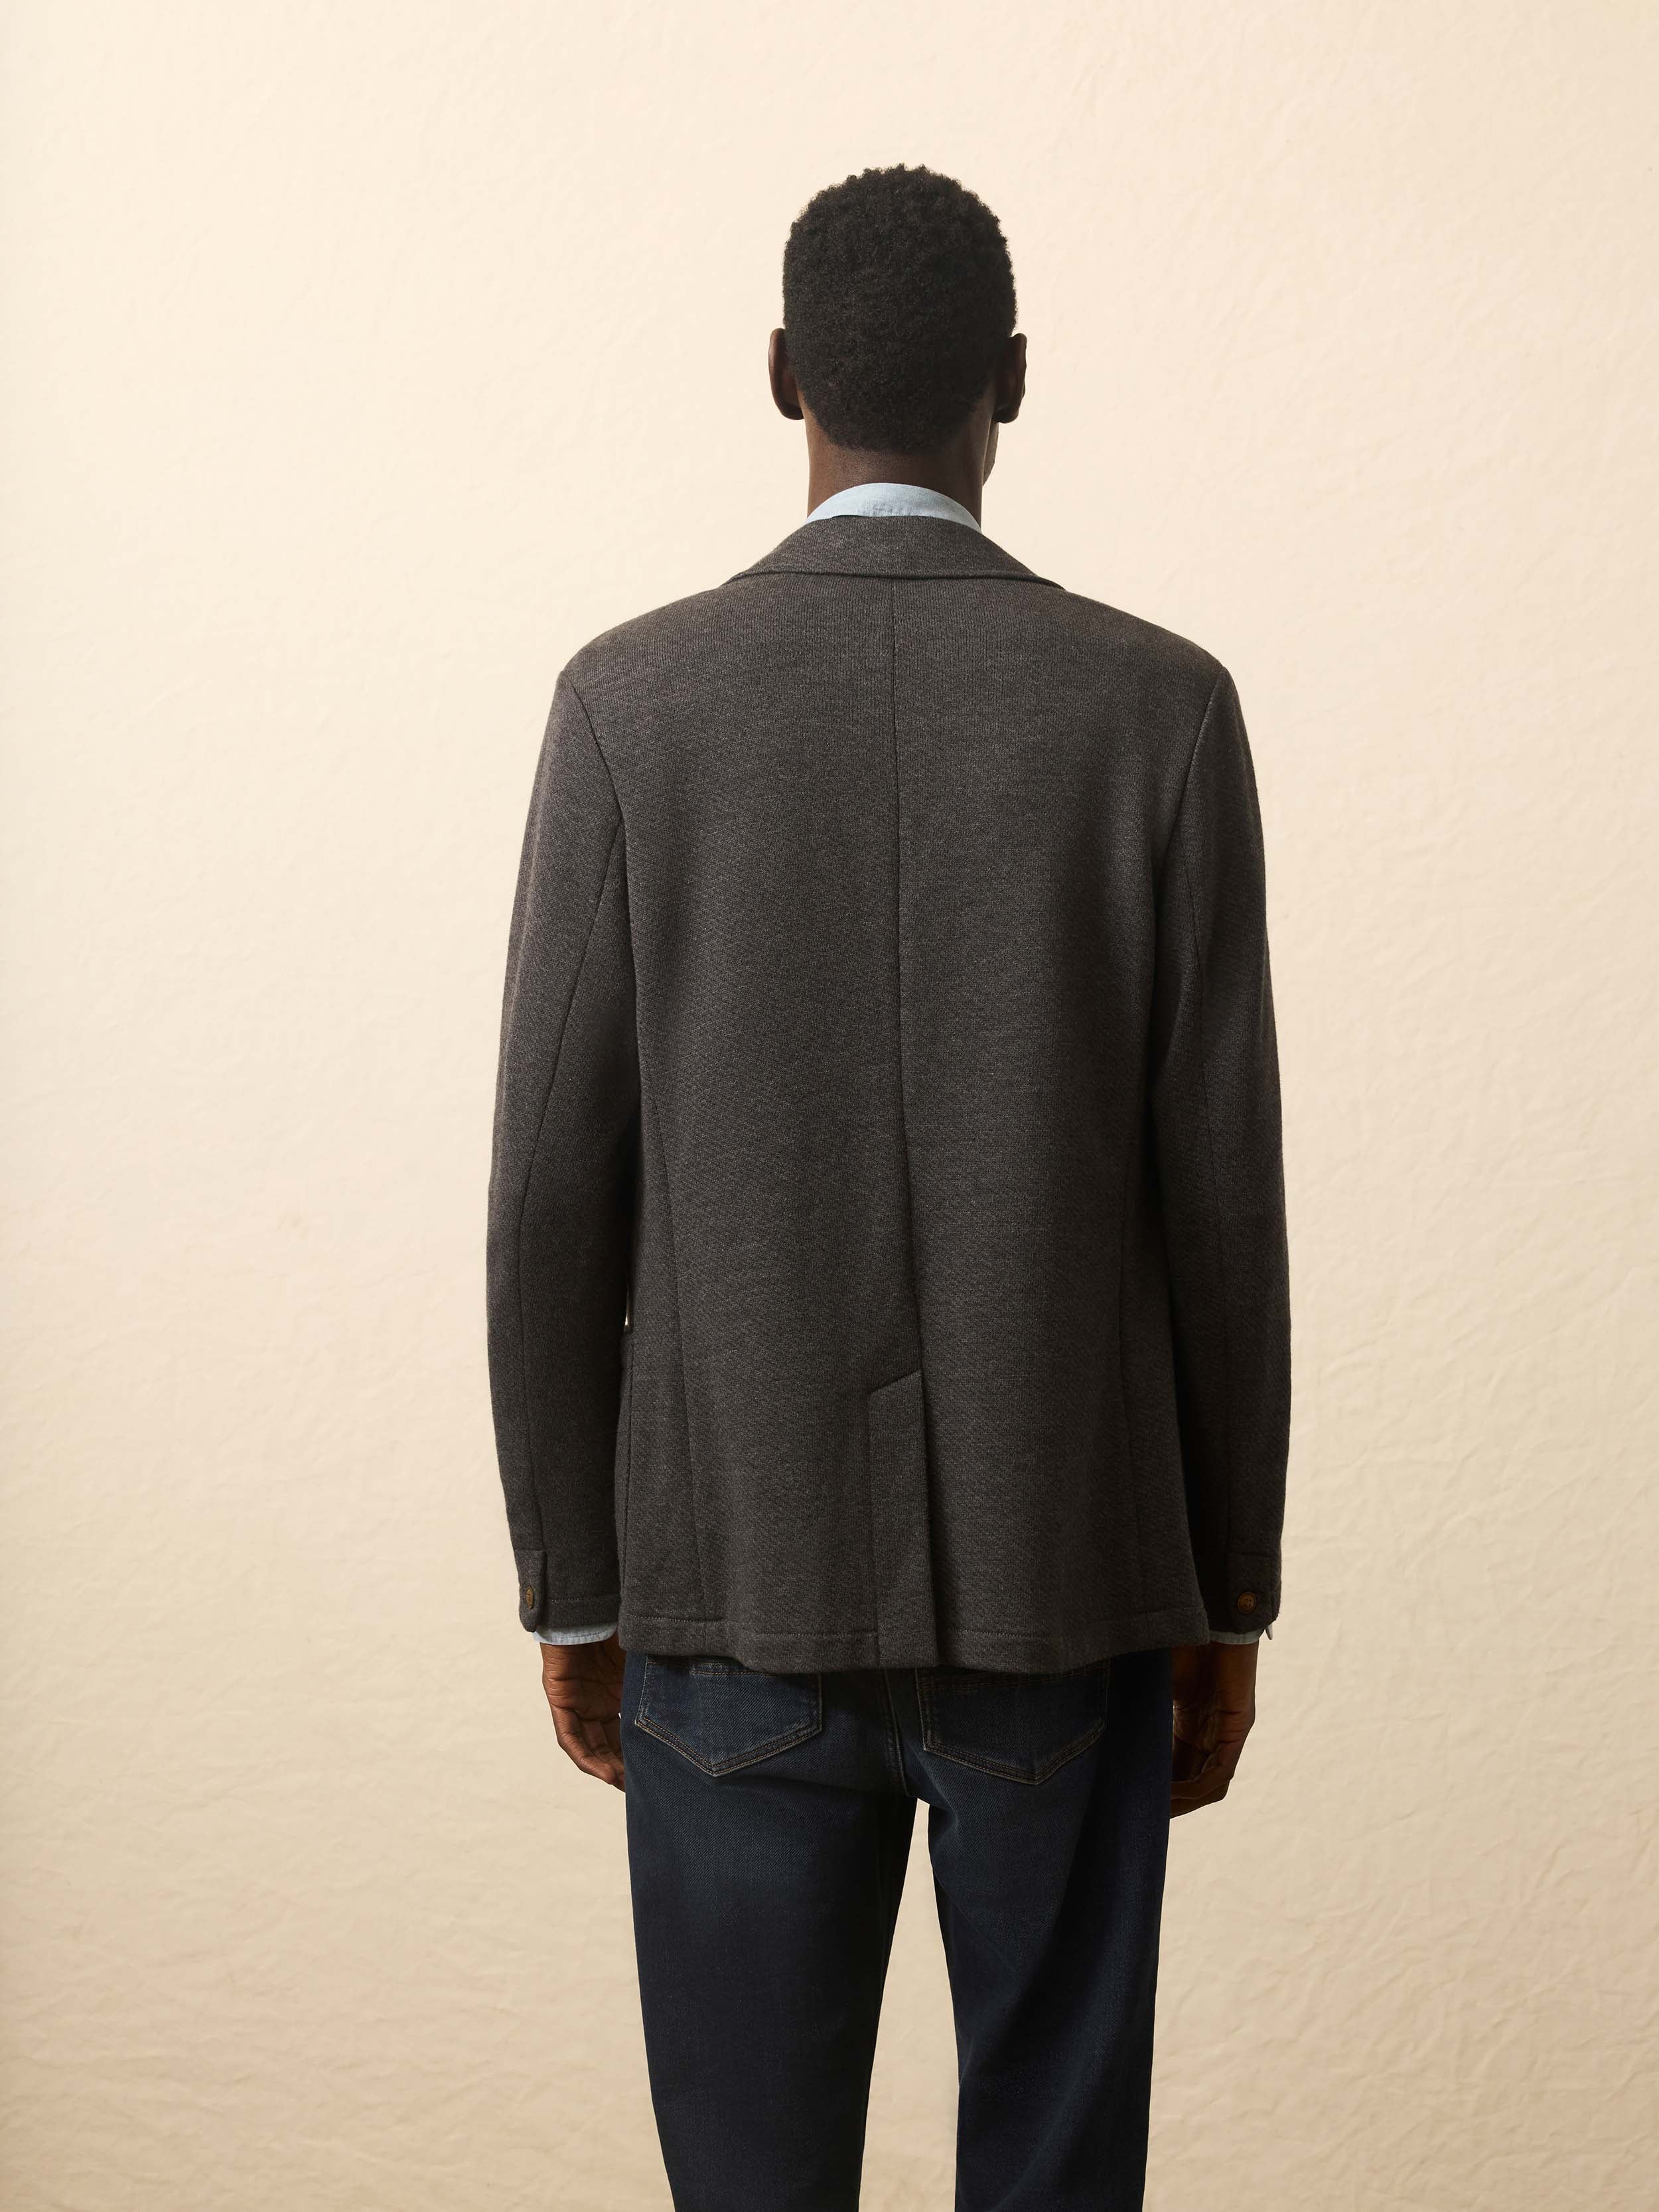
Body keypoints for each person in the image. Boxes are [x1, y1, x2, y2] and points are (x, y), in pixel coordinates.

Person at [485, 162, 1289, 2211]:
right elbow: (1218, 1201)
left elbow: (552, 1192)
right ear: (1011, 379)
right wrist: (1227, 1592)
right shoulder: (1157, 709)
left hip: (728, 1592)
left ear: (783, 376)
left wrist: (576, 1584)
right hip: (1069, 1593)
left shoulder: (630, 705)